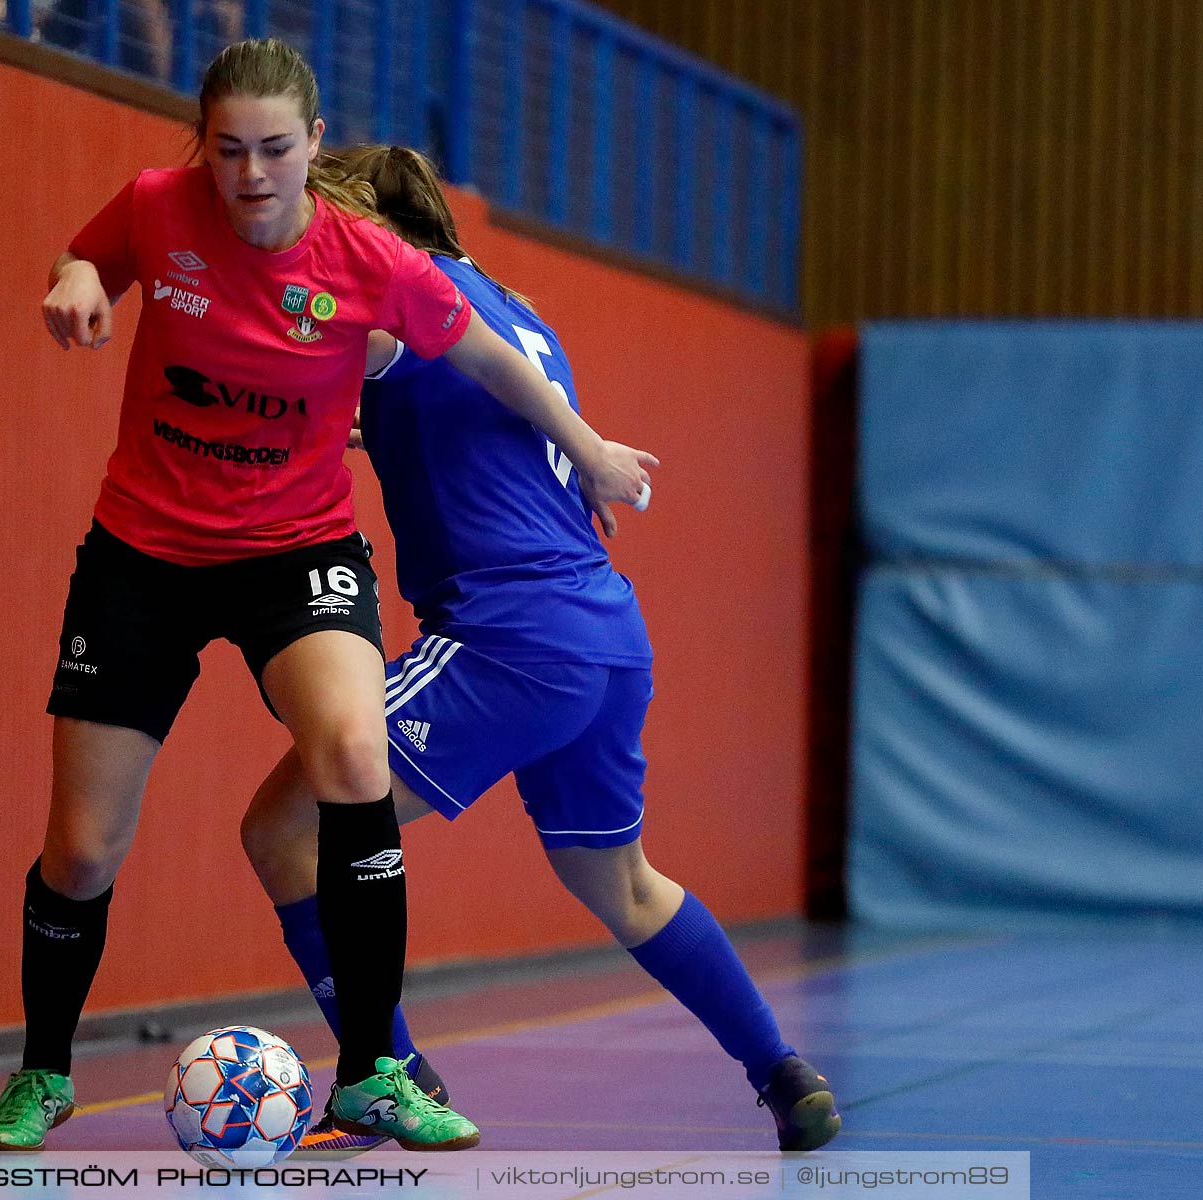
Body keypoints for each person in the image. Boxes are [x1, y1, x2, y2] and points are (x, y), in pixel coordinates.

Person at [0, 39, 653, 1154]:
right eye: (229, 150)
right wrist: (76, 281)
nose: (250, 175)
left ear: (314, 145)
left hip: (296, 550)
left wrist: (586, 448)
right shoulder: (157, 205)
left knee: (352, 758)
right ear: (202, 145)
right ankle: (41, 1072)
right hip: (143, 554)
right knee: (85, 849)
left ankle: (374, 1071)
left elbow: (488, 358)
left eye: (275, 151)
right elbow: (87, 256)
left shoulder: (367, 260)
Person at [239, 145, 841, 1155]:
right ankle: (783, 1075)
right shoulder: (515, 309)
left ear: (370, 231)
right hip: (605, 634)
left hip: (507, 637)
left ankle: (387, 1077)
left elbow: (324, 338)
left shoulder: (394, 297)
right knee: (622, 882)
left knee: (285, 830)